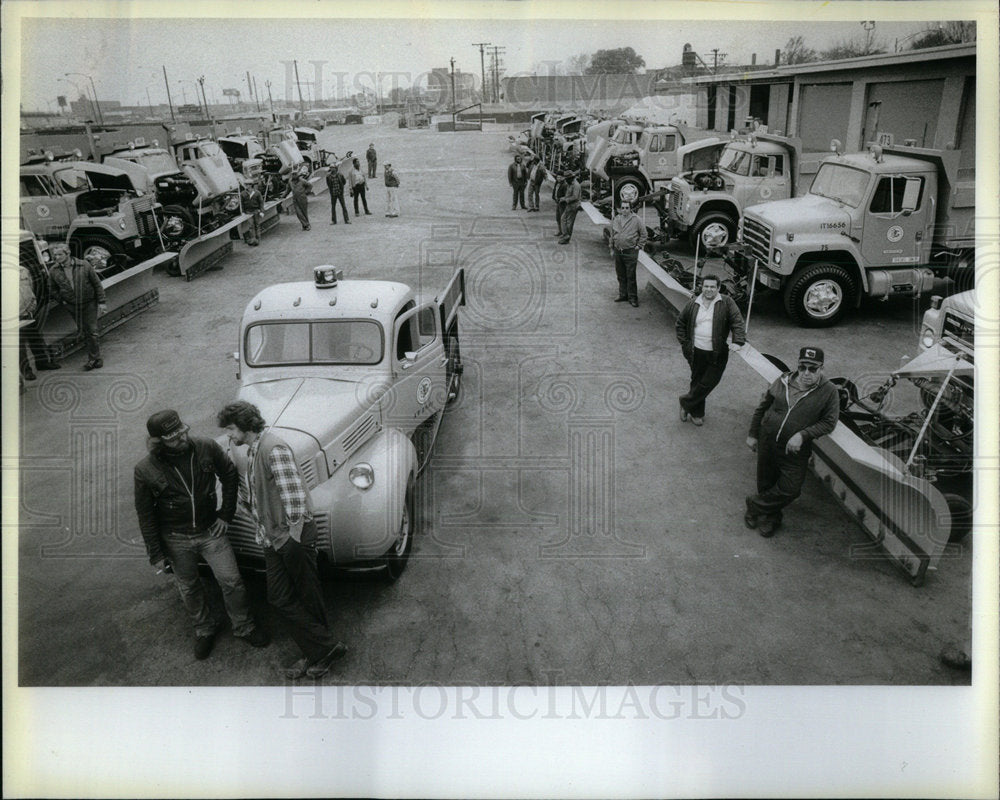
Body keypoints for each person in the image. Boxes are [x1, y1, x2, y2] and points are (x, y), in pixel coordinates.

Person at [217, 401, 346, 680]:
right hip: (272, 538)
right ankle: (325, 648)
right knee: (279, 597)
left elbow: (296, 499)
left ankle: (317, 653)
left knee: (307, 594)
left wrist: (292, 539)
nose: (228, 435)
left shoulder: (273, 449)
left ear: (244, 425)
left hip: (291, 537)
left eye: (230, 428)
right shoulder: (252, 450)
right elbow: (257, 494)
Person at [134, 409, 269, 660]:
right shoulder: (144, 470)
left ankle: (244, 626)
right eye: (173, 438)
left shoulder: (206, 447)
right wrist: (156, 553)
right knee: (189, 587)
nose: (182, 440)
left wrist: (225, 515)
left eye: (183, 432)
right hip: (175, 538)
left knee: (232, 581)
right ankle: (205, 629)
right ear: (157, 442)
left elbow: (228, 474)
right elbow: (145, 514)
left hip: (211, 532)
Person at [745, 347, 840, 537]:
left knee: (791, 489)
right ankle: (771, 517)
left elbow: (829, 422)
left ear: (821, 369)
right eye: (802, 367)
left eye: (812, 369)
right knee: (766, 482)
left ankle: (754, 505)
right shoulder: (782, 380)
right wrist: (753, 434)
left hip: (795, 450)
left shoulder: (829, 392)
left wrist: (803, 435)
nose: (806, 373)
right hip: (768, 440)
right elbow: (762, 407)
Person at [675, 274, 747, 424]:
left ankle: (685, 402)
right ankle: (697, 414)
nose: (709, 289)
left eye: (712, 287)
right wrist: (685, 343)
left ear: (718, 288)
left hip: (718, 352)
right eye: (706, 286)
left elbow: (737, 321)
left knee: (709, 381)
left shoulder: (727, 302)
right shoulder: (693, 303)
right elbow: (680, 323)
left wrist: (738, 341)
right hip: (696, 351)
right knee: (697, 381)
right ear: (702, 287)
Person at [48, 242, 107, 370]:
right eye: (54, 255)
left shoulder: (84, 265)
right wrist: (62, 300)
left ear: (67, 253)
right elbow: (52, 289)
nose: (56, 257)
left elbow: (97, 284)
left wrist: (102, 302)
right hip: (72, 306)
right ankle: (95, 357)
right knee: (84, 331)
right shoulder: (53, 270)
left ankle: (93, 359)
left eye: (59, 254)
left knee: (92, 331)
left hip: (89, 303)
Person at [19, 244, 60, 377]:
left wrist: (32, 304)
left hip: (28, 311)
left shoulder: (23, 270)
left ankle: (42, 363)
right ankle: (26, 371)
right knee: (20, 346)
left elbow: (30, 286)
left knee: (35, 338)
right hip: (13, 316)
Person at [608, 200, 648, 308]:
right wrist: (611, 248)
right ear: (620, 209)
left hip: (630, 251)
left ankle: (633, 298)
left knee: (630, 275)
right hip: (618, 250)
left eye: (627, 208)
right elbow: (612, 234)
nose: (624, 210)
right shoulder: (616, 219)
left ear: (631, 209)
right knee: (620, 274)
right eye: (623, 208)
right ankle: (623, 294)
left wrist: (638, 246)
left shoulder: (637, 220)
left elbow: (644, 234)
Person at [557, 172, 582, 245]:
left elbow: (575, 197)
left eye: (567, 179)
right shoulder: (570, 184)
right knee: (564, 220)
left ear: (571, 178)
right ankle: (566, 235)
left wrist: (565, 199)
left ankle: (566, 237)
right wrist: (564, 198)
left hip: (573, 206)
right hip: (569, 205)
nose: (566, 181)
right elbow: (569, 194)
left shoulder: (576, 185)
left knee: (569, 222)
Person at [242, 182, 264, 246]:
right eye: (245, 184)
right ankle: (253, 240)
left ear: (250, 185)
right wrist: (243, 212)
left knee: (257, 225)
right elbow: (242, 204)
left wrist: (262, 211)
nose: (245, 186)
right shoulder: (243, 194)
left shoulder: (257, 193)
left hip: (256, 211)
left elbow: (261, 202)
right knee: (251, 226)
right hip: (248, 212)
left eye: (247, 184)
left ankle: (258, 239)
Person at [553, 172, 568, 237]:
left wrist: (562, 199)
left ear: (563, 177)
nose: (558, 178)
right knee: (558, 217)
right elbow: (555, 190)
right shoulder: (557, 183)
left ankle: (563, 232)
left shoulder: (565, 185)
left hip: (562, 204)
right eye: (557, 177)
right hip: (558, 202)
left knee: (562, 218)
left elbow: (566, 195)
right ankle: (560, 231)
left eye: (560, 177)